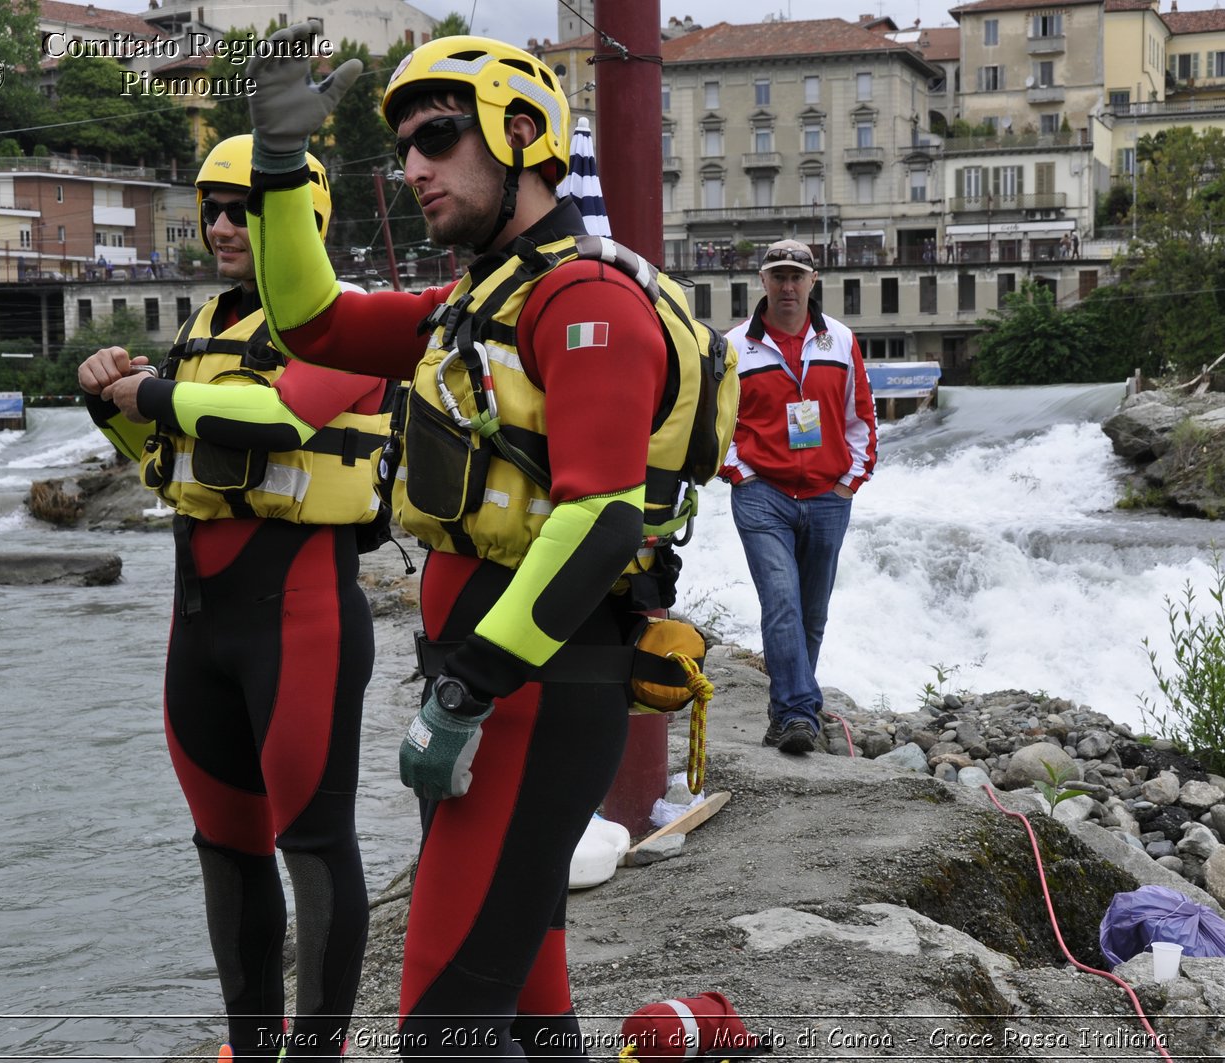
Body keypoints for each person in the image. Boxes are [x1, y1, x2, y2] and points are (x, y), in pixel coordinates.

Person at [240, 24, 702, 1057]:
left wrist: (468, 691)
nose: (414, 168)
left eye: (440, 137)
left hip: (531, 696)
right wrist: (277, 171)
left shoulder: (583, 299)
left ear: (523, 131)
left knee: (442, 1024)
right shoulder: (468, 305)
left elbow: (600, 516)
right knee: (529, 1004)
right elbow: (310, 322)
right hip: (491, 692)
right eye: (404, 146)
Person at [76, 136, 390, 1062]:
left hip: (304, 624)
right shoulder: (205, 325)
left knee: (314, 845)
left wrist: (151, 391)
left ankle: (319, 1053)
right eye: (211, 205)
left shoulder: (353, 324)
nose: (219, 224)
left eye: (244, 205)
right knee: (227, 850)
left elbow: (284, 415)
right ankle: (251, 1048)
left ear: (301, 216)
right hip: (201, 627)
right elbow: (174, 472)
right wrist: (111, 404)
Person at [720, 239, 876, 755]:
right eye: (778, 276)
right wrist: (738, 473)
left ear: (813, 282)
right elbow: (715, 423)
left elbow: (861, 418)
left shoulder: (841, 340)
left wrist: (849, 481)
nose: (788, 286)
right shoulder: (734, 346)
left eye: (797, 277)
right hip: (763, 494)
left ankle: (787, 711)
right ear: (762, 282)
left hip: (829, 496)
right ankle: (797, 714)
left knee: (812, 613)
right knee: (782, 603)